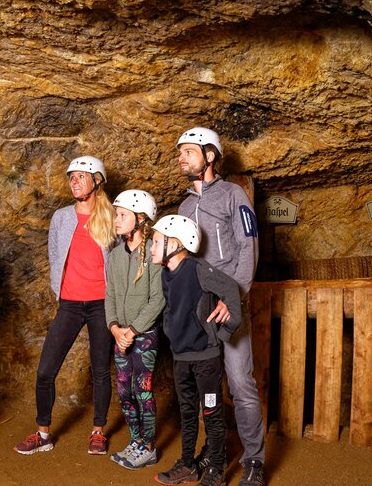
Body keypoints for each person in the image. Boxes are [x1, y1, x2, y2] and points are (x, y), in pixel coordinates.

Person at [176, 127, 264, 485]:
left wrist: (235, 298)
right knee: (205, 387)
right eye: (179, 152)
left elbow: (249, 246)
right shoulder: (182, 207)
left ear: (210, 155)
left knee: (241, 383)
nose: (180, 157)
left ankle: (254, 461)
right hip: (199, 309)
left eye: (188, 151)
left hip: (229, 304)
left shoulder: (233, 195)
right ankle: (215, 455)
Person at [14, 155, 116, 456]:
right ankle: (43, 434)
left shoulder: (112, 217)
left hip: (101, 304)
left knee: (100, 371)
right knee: (45, 370)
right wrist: (60, 291)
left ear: (97, 181)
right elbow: (54, 255)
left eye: (81, 176)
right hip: (70, 304)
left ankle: (98, 431)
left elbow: (122, 261)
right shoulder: (61, 217)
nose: (74, 181)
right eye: (71, 177)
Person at [150, 215, 243, 486]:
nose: (152, 247)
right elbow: (172, 309)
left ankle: (216, 469)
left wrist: (223, 334)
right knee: (187, 412)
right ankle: (188, 464)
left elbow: (230, 290)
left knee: (211, 414)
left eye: (156, 242)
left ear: (176, 244)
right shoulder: (166, 273)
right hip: (181, 358)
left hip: (206, 359)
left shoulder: (197, 268)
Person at [106, 189, 165, 470]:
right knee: (123, 390)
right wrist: (115, 328)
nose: (116, 220)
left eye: (122, 215)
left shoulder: (154, 252)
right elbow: (111, 295)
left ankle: (149, 446)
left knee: (142, 390)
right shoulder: (115, 256)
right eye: (116, 214)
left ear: (140, 219)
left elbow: (158, 299)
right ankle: (135, 440)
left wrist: (132, 330)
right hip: (121, 336)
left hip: (145, 336)